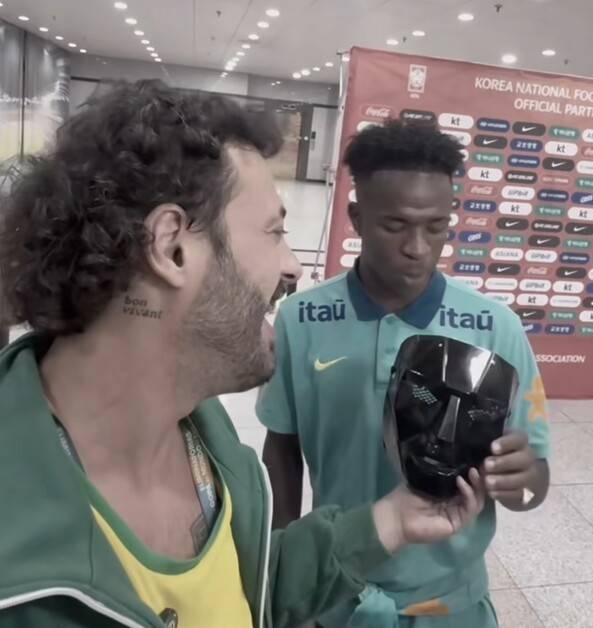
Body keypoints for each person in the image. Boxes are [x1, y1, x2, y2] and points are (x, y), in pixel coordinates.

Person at [0, 81, 486, 628]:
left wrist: (392, 521)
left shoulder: (212, 446)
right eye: (275, 232)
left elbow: (245, 588)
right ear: (172, 247)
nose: (293, 266)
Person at [258, 122, 551, 628]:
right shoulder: (301, 319)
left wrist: (523, 482)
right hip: (334, 594)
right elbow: (282, 450)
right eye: (395, 225)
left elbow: (533, 483)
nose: (417, 247)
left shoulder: (494, 326)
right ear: (357, 218)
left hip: (452, 606)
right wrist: (285, 581)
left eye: (436, 227)